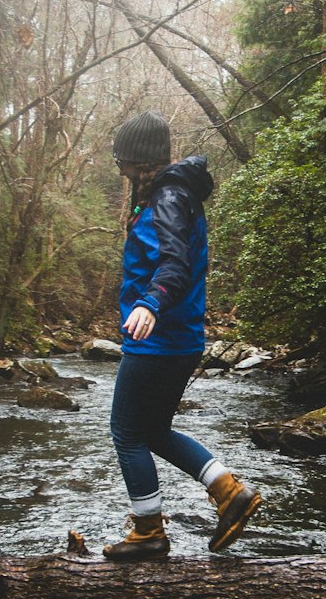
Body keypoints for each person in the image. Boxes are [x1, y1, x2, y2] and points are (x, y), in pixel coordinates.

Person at [103, 109, 261, 560]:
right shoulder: (172, 194)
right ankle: (229, 492)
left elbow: (175, 264)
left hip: (160, 338)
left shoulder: (167, 198)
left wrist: (149, 305)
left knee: (126, 432)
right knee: (153, 430)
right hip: (181, 336)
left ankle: (148, 532)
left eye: (122, 159)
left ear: (139, 158)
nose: (119, 167)